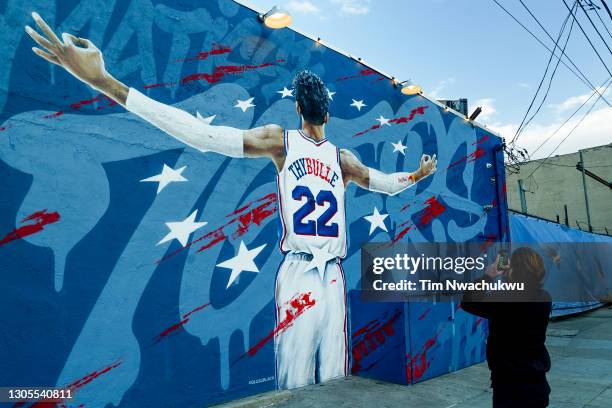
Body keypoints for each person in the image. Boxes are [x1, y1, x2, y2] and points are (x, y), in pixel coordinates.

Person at [25, 12, 437, 389]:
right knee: (331, 375)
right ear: (327, 114)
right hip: (329, 272)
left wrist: (105, 82)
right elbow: (384, 183)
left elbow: (199, 135)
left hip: (303, 271)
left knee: (297, 379)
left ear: (297, 108)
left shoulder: (281, 141)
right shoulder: (342, 160)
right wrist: (417, 175)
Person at [462, 247, 552, 408]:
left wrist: (489, 275)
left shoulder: (504, 298)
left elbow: (468, 302)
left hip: (510, 387)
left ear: (514, 271)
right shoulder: (544, 297)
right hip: (537, 382)